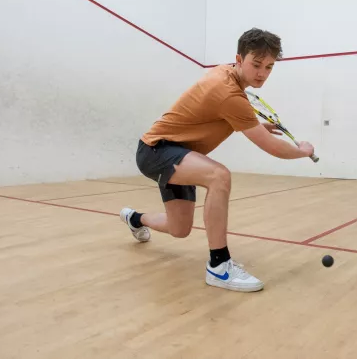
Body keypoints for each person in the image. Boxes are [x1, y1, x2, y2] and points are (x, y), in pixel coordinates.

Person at [118, 28, 314, 292]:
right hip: (158, 150)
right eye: (256, 65)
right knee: (219, 176)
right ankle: (219, 266)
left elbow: (219, 114)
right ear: (239, 58)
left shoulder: (226, 74)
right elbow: (272, 148)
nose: (262, 74)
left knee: (179, 229)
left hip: (177, 153)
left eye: (268, 67)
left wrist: (252, 126)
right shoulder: (229, 94)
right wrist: (302, 151)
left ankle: (135, 218)